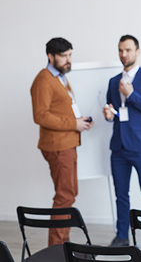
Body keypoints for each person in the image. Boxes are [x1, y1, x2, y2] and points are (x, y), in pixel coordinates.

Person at [103, 35, 141, 250]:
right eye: (120, 50)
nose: (123, 54)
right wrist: (109, 115)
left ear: (137, 51)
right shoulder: (112, 82)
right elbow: (115, 110)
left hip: (140, 147)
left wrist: (132, 95)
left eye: (128, 50)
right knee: (121, 194)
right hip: (118, 147)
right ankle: (122, 236)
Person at [30, 37, 94, 246]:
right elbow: (40, 116)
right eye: (63, 56)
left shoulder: (60, 77)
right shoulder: (44, 79)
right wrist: (73, 124)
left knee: (69, 193)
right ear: (51, 56)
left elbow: (61, 109)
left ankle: (62, 244)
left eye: (70, 55)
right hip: (58, 146)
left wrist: (79, 122)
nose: (68, 60)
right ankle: (56, 250)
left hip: (68, 143)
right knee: (65, 195)